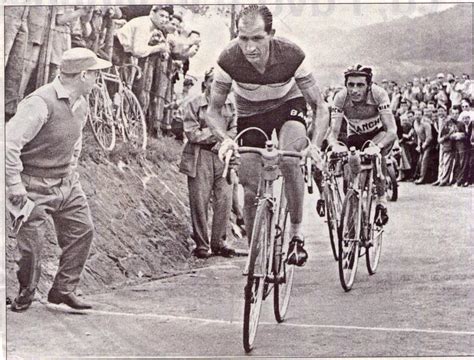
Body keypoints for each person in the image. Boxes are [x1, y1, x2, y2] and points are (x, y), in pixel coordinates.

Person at [207, 5, 329, 266]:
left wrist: (315, 146)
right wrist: (225, 138)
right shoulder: (228, 59)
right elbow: (213, 111)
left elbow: (320, 106)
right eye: (243, 38)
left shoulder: (291, 55)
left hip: (288, 105)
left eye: (257, 38)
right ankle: (256, 255)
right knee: (250, 188)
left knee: (289, 159)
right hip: (250, 112)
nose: (249, 47)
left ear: (271, 34)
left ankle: (296, 233)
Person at [6, 48, 112, 312]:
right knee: (31, 248)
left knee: (82, 231)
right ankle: (26, 292)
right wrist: (14, 184)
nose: (98, 80)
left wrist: (70, 171)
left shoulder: (82, 103)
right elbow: (7, 144)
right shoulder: (40, 103)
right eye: (95, 74)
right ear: (83, 75)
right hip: (32, 185)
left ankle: (63, 290)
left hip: (66, 182)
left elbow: (75, 143)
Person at [179, 68, 237, 259]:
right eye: (214, 81)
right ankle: (202, 245)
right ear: (205, 83)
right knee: (199, 200)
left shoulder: (230, 105)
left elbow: (235, 129)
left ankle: (219, 242)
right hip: (200, 155)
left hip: (223, 156)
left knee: (224, 199)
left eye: (223, 84)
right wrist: (219, 137)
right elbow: (191, 132)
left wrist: (224, 142)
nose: (218, 87)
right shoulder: (194, 103)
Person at [328, 65, 397, 226]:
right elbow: (333, 132)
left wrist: (378, 147)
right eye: (351, 85)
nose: (355, 90)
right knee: (349, 173)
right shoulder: (340, 97)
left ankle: (381, 201)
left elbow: (392, 130)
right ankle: (353, 213)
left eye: (360, 85)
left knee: (376, 157)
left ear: (369, 85)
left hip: (378, 133)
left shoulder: (378, 94)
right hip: (355, 136)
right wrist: (334, 145)